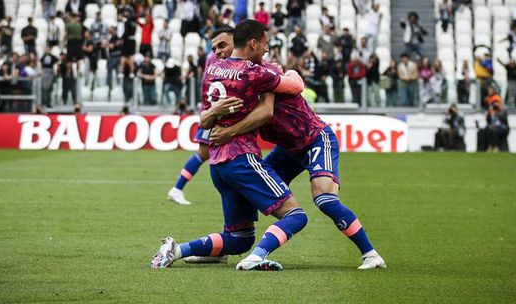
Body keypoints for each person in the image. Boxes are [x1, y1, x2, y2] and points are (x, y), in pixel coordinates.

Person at [209, 33, 386, 271]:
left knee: (324, 199)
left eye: (223, 46)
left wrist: (289, 74)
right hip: (288, 149)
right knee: (255, 190)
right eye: (215, 49)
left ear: (241, 46)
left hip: (314, 138)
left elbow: (288, 89)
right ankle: (233, 244)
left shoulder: (265, 73)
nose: (219, 53)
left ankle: (371, 254)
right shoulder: (234, 82)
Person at [152, 20, 309, 271]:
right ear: (253, 43)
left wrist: (216, 114)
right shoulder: (254, 72)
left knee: (240, 238)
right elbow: (284, 97)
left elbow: (204, 119)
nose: (266, 50)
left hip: (218, 166)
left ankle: (176, 249)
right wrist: (283, 73)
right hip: (241, 158)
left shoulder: (212, 71)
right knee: (296, 215)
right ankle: (256, 258)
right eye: (265, 45)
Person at [167, 26, 235, 205]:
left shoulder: (220, 57)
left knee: (210, 154)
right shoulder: (215, 58)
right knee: (204, 153)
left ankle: (177, 189)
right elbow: (211, 85)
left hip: (216, 110)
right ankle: (177, 188)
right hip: (213, 111)